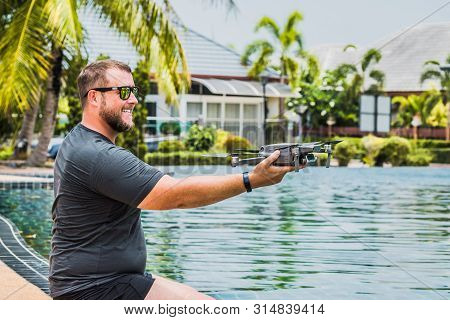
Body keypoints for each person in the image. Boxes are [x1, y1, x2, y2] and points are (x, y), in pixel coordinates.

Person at [49, 59, 295, 300]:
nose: (133, 100)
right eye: (124, 91)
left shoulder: (79, 141)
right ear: (94, 97)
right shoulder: (96, 154)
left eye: (134, 91)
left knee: (204, 301)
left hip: (99, 281)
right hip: (94, 289)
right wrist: (252, 179)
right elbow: (175, 195)